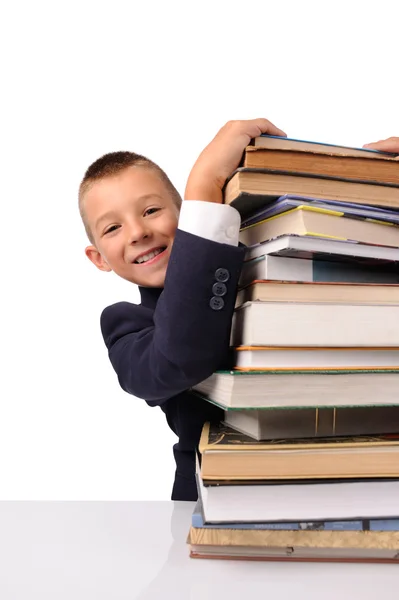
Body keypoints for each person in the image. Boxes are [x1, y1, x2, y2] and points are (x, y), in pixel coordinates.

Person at [79, 121, 398, 500]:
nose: (137, 232)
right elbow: (178, 357)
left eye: (150, 210)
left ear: (186, 216)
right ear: (98, 259)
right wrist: (203, 182)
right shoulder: (126, 326)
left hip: (364, 472)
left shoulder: (262, 261)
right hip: (216, 498)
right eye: (112, 227)